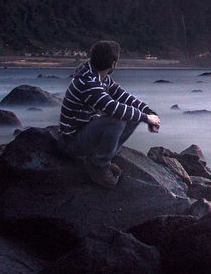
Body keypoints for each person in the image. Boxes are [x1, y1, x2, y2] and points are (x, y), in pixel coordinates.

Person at [58, 40, 161, 187]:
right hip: (72, 141)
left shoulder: (101, 77)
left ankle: (103, 157)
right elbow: (112, 108)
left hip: (86, 130)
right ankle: (98, 165)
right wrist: (146, 118)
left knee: (132, 114)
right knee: (118, 119)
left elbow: (124, 96)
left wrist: (150, 114)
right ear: (113, 64)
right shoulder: (88, 82)